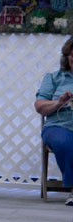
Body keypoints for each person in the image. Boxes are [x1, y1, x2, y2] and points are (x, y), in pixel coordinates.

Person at [35, 37, 73, 205]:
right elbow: (39, 106)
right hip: (58, 126)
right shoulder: (53, 78)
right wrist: (59, 102)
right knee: (64, 141)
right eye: (72, 55)